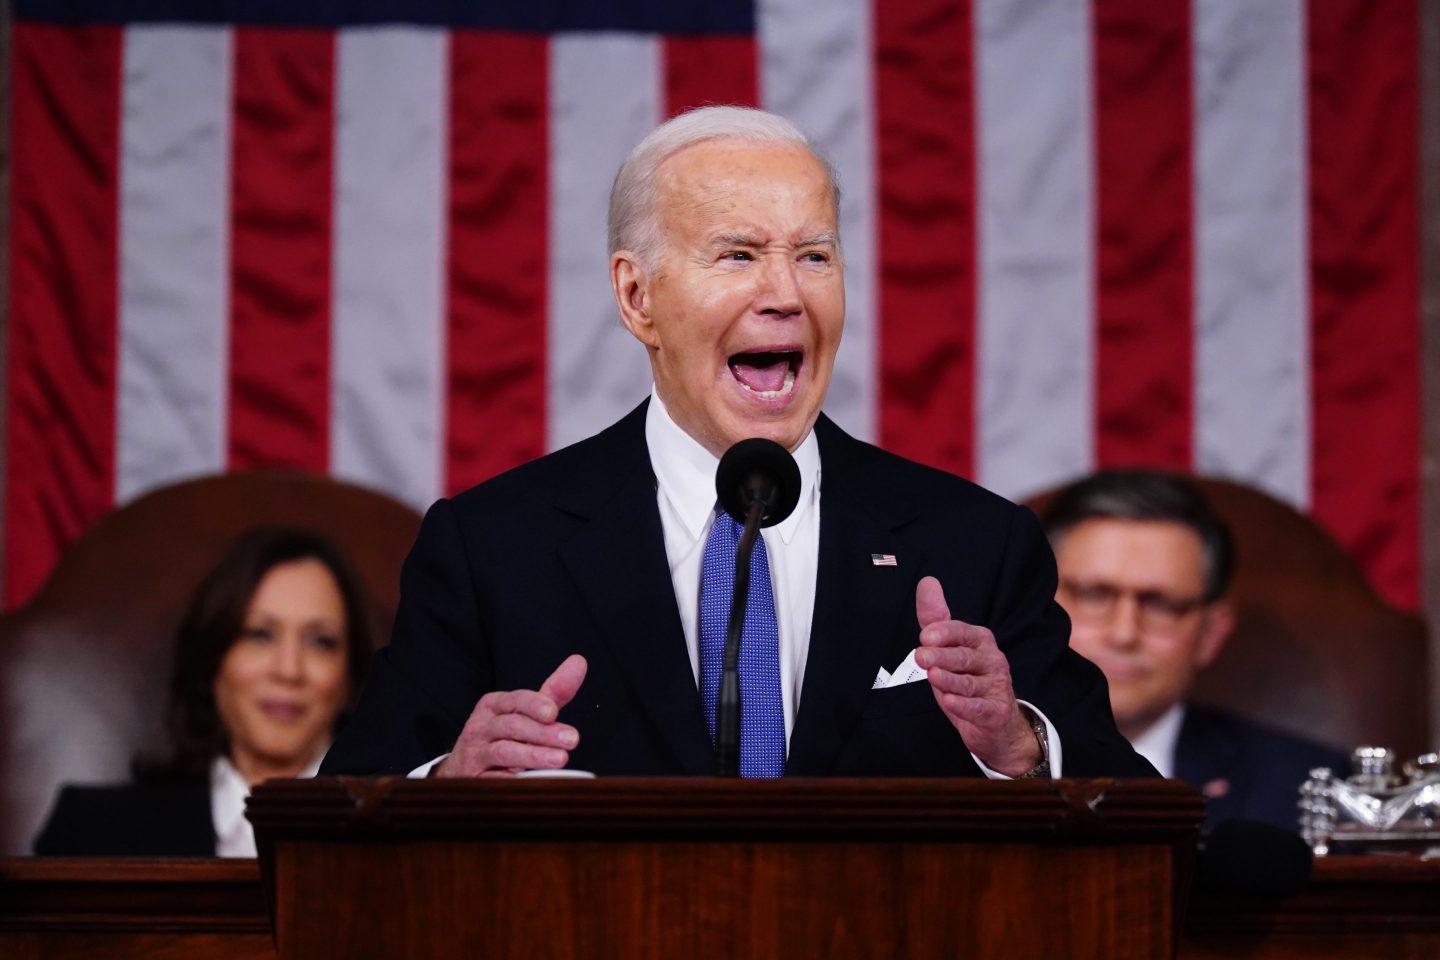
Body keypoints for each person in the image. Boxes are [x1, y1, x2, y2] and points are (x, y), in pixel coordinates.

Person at [322, 106, 1152, 782]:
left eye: (814, 256)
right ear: (637, 295)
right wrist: (449, 783)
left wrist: (1018, 747)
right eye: (739, 254)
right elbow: (347, 815)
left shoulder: (973, 543)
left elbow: (1136, 815)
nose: (785, 294)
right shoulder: (494, 546)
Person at [34, 527, 378, 856]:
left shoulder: (397, 839)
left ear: (350, 678)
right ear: (213, 662)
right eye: (260, 634)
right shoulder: (92, 833)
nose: (289, 670)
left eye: (321, 642)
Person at [1038, 470, 1349, 831]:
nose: (1124, 634)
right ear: (1039, 610)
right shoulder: (963, 764)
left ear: (1211, 634)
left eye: (1161, 604)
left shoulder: (1303, 788)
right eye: (1094, 595)